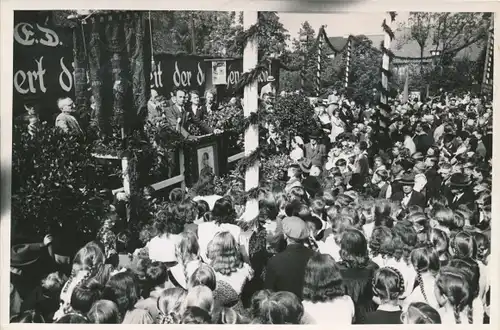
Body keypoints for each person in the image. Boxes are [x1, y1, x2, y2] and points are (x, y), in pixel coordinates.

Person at [264, 216, 314, 299]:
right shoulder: (315, 256)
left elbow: (269, 292)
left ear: (285, 235)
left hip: (286, 307)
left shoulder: (275, 261)